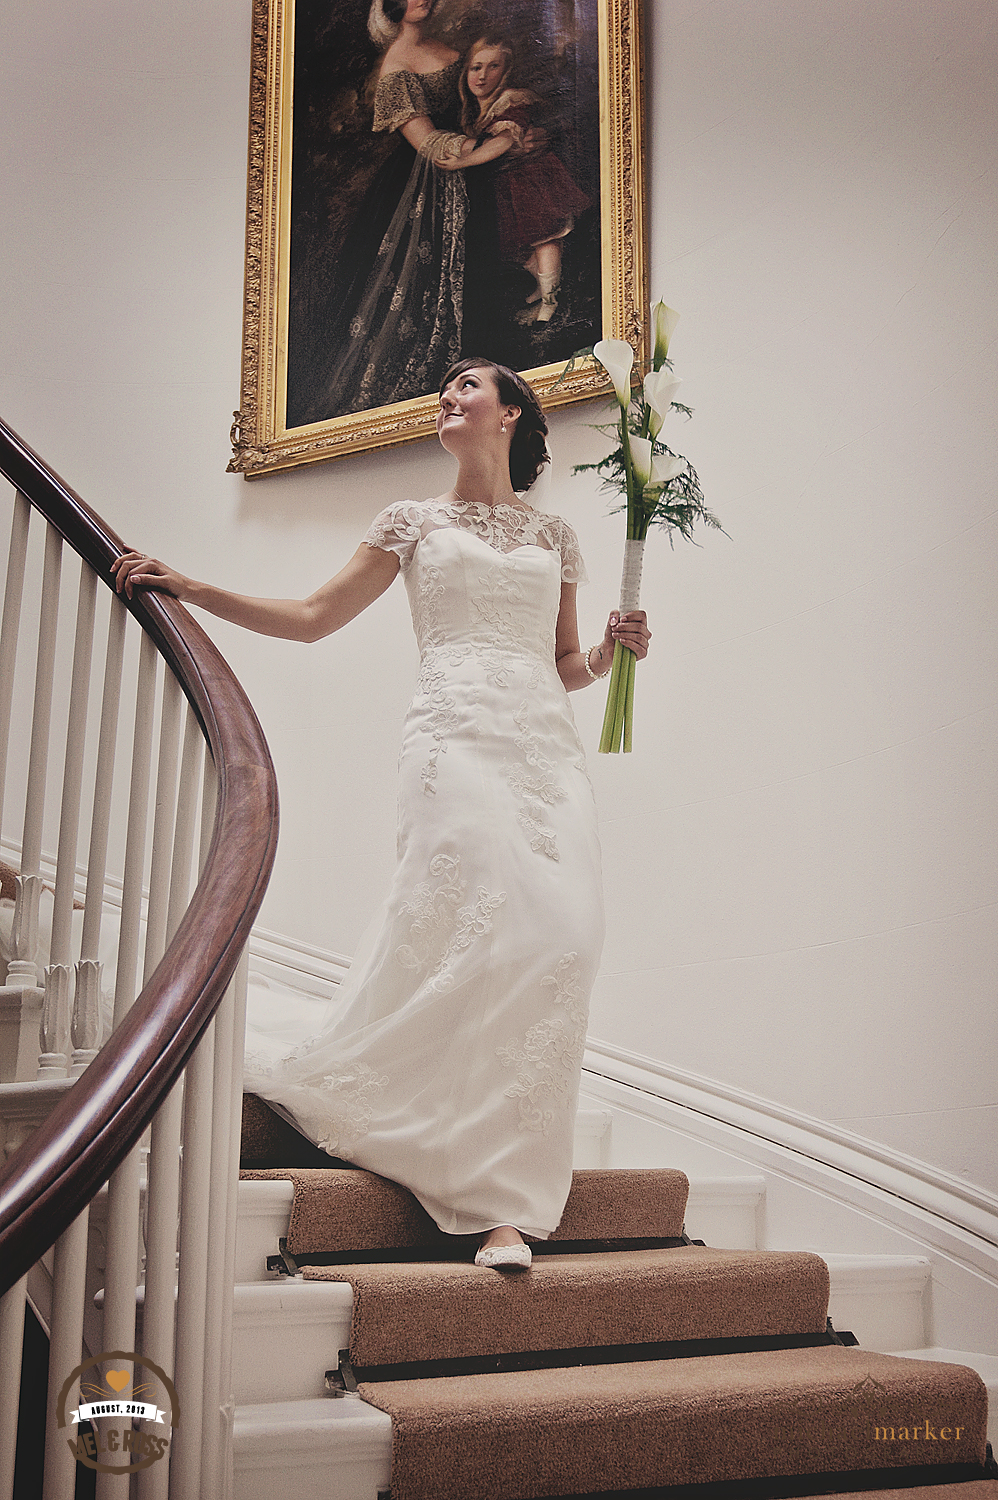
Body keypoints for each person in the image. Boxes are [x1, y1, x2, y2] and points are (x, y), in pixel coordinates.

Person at [113, 361, 650, 1268]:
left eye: (466, 386)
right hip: (453, 740)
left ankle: (487, 1143)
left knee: (562, 937)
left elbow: (562, 662)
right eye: (443, 388)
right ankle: (499, 1208)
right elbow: (316, 616)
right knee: (473, 924)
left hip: (543, 749)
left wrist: (608, 651)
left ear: (513, 412)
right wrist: (194, 588)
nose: (447, 396)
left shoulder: (556, 535)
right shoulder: (411, 522)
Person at [298, 0, 512, 426]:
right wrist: (501, 142)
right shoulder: (396, 66)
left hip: (472, 165)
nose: (422, 0)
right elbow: (428, 141)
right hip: (426, 182)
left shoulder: (447, 45)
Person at [458, 32, 590, 326]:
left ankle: (550, 302)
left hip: (535, 181)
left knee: (545, 239)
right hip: (511, 186)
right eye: (476, 67)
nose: (482, 76)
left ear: (505, 73)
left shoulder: (511, 102)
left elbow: (504, 140)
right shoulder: (477, 111)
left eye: (493, 67)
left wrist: (463, 160)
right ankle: (544, 288)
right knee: (524, 247)